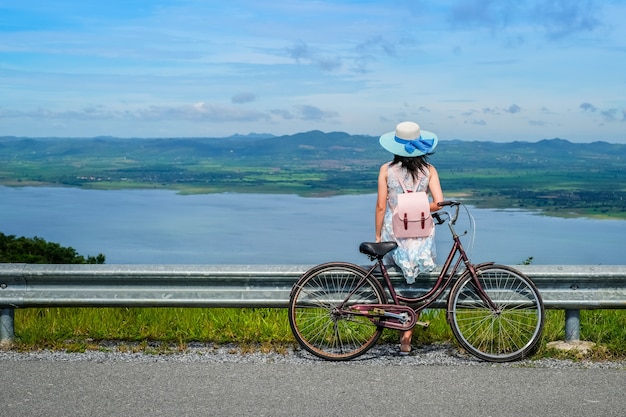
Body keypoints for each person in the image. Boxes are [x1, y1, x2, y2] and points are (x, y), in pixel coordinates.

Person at [375, 121, 444, 355]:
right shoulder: (430, 171)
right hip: (421, 233)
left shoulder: (386, 169)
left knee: (394, 282)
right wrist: (418, 205)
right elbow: (439, 203)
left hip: (394, 232)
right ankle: (407, 337)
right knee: (418, 288)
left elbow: (381, 206)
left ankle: (395, 322)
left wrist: (377, 236)